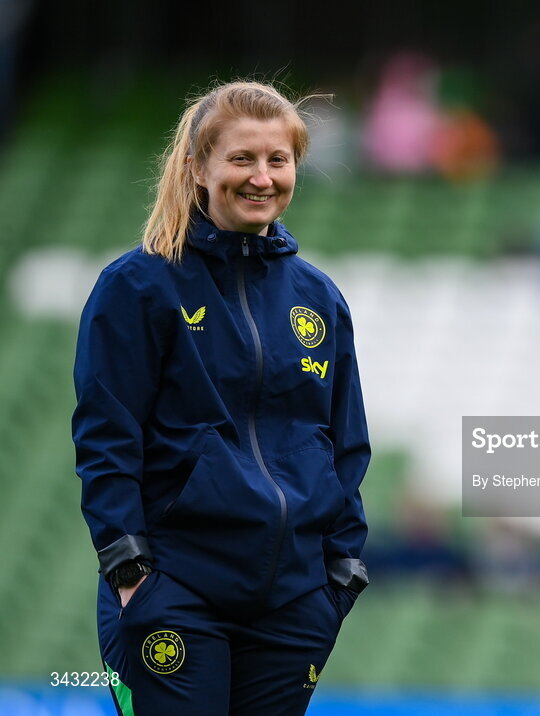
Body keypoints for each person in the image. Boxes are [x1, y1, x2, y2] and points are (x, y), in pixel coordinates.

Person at [72, 81, 371, 715]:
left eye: (278, 159)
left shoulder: (319, 298)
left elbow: (346, 446)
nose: (262, 177)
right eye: (242, 158)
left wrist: (341, 571)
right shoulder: (137, 287)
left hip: (293, 602)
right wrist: (130, 573)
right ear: (198, 168)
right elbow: (106, 438)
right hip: (176, 590)